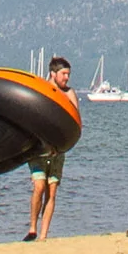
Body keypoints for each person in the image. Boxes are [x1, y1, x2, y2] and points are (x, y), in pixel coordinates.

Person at [26, 56, 75, 241]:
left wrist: (63, 145)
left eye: (68, 74)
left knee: (51, 191)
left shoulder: (69, 94)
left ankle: (43, 235)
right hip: (39, 151)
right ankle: (32, 228)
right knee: (39, 186)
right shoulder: (41, 89)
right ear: (53, 74)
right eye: (63, 74)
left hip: (58, 151)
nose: (66, 78)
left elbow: (75, 124)